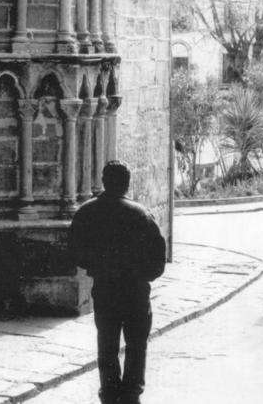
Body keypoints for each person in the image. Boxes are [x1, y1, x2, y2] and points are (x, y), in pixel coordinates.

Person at [68, 161, 166, 404]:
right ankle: (131, 392)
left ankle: (110, 393)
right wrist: (144, 275)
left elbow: (74, 250)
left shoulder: (86, 212)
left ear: (104, 180)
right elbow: (158, 255)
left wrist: (96, 266)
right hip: (135, 289)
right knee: (136, 342)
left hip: (105, 287)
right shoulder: (141, 214)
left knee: (107, 341)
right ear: (127, 183)